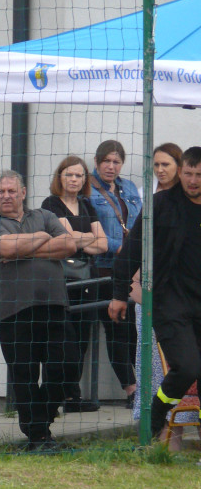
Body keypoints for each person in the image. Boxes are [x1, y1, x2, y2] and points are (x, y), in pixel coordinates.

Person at [0, 169, 80, 451]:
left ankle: (42, 419)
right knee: (24, 374)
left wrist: (25, 248)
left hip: (54, 305)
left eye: (12, 191)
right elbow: (4, 247)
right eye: (1, 192)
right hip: (14, 311)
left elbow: (69, 244)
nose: (7, 196)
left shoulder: (44, 216)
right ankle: (38, 436)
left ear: (23, 193)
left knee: (67, 365)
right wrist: (42, 239)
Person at [110, 146, 201, 441]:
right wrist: (119, 292)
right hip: (170, 301)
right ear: (181, 171)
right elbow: (132, 249)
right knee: (186, 367)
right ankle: (157, 413)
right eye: (188, 173)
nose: (193, 180)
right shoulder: (161, 204)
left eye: (199, 175)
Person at [40, 156, 108, 413]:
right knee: (62, 340)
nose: (74, 180)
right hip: (61, 280)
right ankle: (56, 394)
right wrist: (88, 237)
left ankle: (73, 396)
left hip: (87, 282)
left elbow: (103, 244)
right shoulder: (51, 204)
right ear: (60, 177)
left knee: (81, 339)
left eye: (79, 176)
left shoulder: (86, 204)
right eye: (69, 175)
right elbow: (66, 239)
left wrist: (81, 239)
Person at [89, 140, 142, 407]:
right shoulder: (88, 188)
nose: (111, 166)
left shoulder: (129, 187)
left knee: (132, 330)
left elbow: (140, 221)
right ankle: (131, 388)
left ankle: (140, 385)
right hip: (103, 267)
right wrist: (117, 245)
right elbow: (87, 229)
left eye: (116, 161)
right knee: (116, 327)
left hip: (131, 270)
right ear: (97, 162)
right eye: (107, 161)